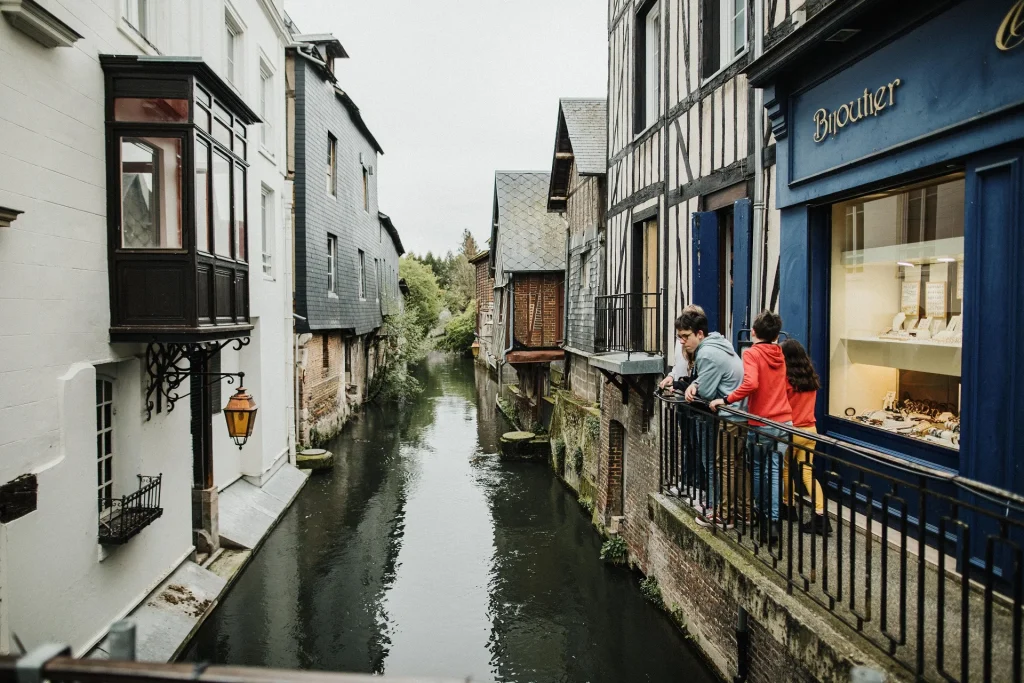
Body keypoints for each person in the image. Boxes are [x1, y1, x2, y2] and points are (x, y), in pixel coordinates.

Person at [710, 310, 792, 545]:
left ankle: (763, 520)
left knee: (757, 471)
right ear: (776, 334)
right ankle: (774, 524)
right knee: (774, 472)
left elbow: (751, 383)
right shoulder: (779, 353)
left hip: (762, 422)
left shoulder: (752, 353)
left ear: (753, 332)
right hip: (784, 421)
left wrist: (725, 400)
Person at [677, 309, 748, 528]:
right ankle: (744, 511)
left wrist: (694, 387)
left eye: (686, 336)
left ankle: (724, 515)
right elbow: (710, 379)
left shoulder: (705, 354)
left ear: (699, 334)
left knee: (723, 464)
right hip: (741, 411)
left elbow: (706, 393)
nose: (682, 342)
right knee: (736, 465)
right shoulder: (719, 344)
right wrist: (696, 383)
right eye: (680, 337)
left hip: (729, 415)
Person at [780, 339, 832, 536]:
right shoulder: (811, 378)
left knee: (786, 469)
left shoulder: (786, 380)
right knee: (808, 473)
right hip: (811, 430)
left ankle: (789, 507)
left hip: (793, 431)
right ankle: (820, 515)